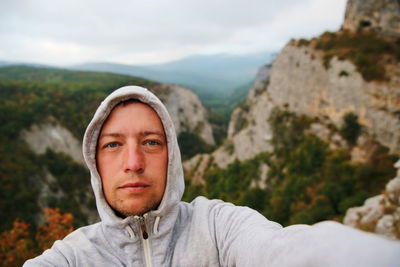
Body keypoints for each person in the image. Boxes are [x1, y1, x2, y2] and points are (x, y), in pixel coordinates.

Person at [24, 85, 400, 266]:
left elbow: (288, 252)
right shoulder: (75, 256)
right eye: (113, 145)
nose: (134, 162)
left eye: (152, 143)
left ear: (173, 157)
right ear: (95, 164)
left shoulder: (218, 227)